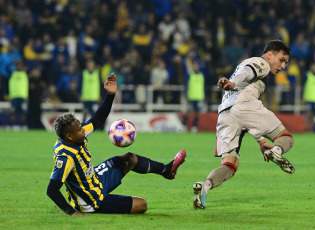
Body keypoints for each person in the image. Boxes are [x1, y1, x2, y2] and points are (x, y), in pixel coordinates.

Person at [47, 73, 186, 215]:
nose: (84, 130)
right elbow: (52, 190)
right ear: (69, 136)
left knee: (130, 158)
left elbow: (97, 119)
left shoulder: (75, 135)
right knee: (142, 205)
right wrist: (71, 212)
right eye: (79, 130)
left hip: (96, 179)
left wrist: (110, 95)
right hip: (92, 200)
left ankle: (166, 170)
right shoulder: (65, 157)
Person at [193, 40, 295, 210]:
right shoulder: (261, 62)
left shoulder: (243, 69)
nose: (283, 65)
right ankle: (276, 151)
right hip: (244, 105)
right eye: (282, 60)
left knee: (229, 165)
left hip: (225, 115)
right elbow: (248, 72)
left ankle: (204, 186)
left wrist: (261, 140)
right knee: (286, 138)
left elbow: (242, 118)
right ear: (270, 55)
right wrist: (233, 83)